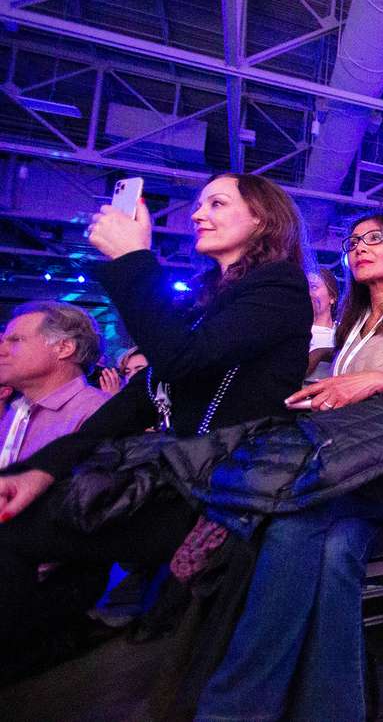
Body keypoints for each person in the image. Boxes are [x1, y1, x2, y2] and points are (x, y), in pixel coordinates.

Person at [0, 173, 313, 682]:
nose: (197, 213)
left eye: (217, 202)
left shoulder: (279, 285)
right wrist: (41, 471)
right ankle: (46, 647)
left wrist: (133, 260)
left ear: (261, 219)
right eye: (198, 203)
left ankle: (33, 654)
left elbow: (186, 361)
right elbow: (128, 407)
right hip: (182, 478)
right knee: (29, 517)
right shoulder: (205, 304)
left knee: (18, 536)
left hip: (220, 493)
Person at [198, 213, 383, 722]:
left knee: (297, 514)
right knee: (335, 548)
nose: (359, 247)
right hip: (362, 473)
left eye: (375, 238)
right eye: (352, 241)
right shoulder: (352, 324)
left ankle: (236, 709)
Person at [0, 302, 110, 472]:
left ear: (64, 348)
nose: (2, 350)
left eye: (16, 340)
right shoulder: (18, 410)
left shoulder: (99, 413)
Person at [305, 267, 340, 379]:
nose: (308, 293)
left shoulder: (344, 331)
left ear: (332, 296)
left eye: (313, 287)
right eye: (305, 288)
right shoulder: (293, 331)